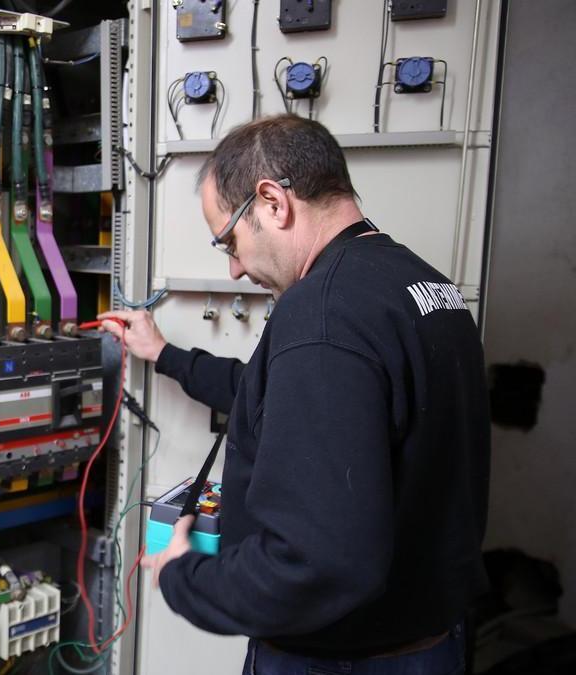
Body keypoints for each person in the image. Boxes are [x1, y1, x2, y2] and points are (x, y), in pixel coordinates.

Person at [99, 115, 489, 674]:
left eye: (228, 240)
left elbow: (320, 561)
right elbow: (276, 396)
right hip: (431, 641)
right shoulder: (420, 286)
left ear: (272, 203)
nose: (233, 269)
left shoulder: (322, 314)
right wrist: (164, 354)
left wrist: (185, 577)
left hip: (344, 659)